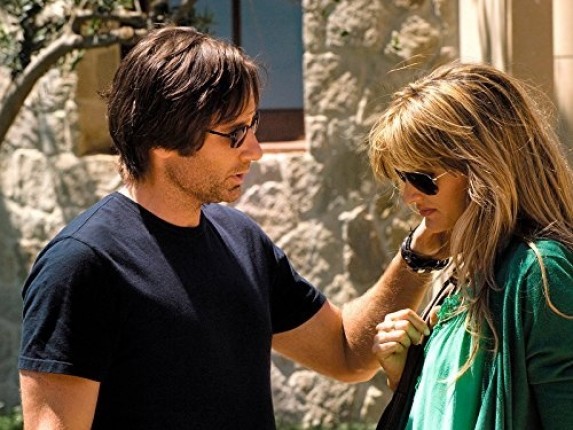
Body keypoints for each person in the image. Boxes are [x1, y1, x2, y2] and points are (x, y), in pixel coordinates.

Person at [18, 26, 434, 429]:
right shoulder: (81, 265)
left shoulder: (242, 240)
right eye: (235, 133)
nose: (255, 150)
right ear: (164, 137)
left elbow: (346, 353)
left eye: (253, 125)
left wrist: (421, 251)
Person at [369, 62, 573, 429]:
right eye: (401, 177)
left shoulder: (541, 274)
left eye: (422, 176)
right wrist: (406, 376)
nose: (409, 196)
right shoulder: (464, 280)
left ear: (483, 167)